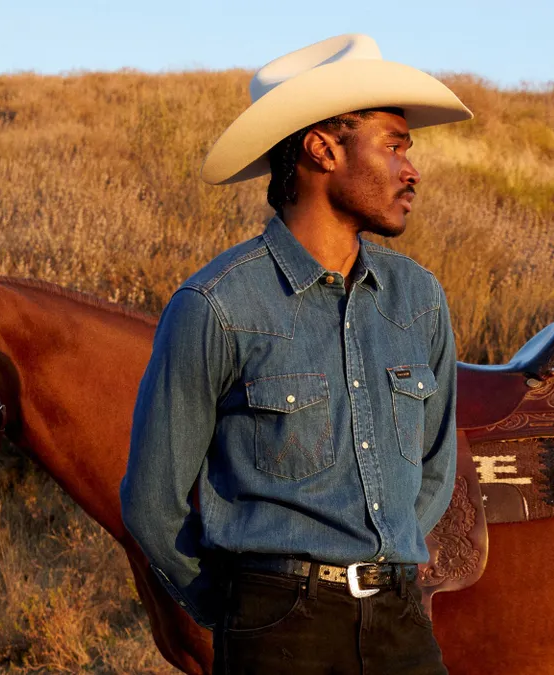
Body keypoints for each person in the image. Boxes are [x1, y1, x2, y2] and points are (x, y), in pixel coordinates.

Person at [120, 34, 472, 674]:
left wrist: (385, 558)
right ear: (321, 147)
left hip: (400, 623)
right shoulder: (215, 305)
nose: (411, 169)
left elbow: (434, 468)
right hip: (276, 629)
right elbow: (152, 502)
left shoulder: (419, 300)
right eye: (393, 145)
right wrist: (241, 604)